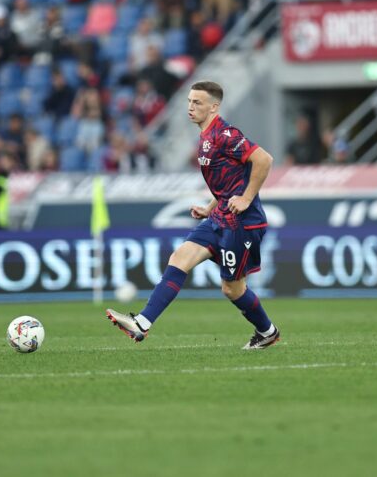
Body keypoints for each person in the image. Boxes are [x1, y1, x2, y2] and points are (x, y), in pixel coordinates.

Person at [106, 81, 280, 350]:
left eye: (197, 102)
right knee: (180, 258)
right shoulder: (205, 137)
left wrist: (246, 199)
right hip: (220, 216)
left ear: (214, 106)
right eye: (189, 101)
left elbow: (264, 160)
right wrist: (210, 207)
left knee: (232, 289)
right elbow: (231, 179)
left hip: (242, 223)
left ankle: (267, 331)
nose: (190, 107)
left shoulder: (225, 134)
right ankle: (142, 323)